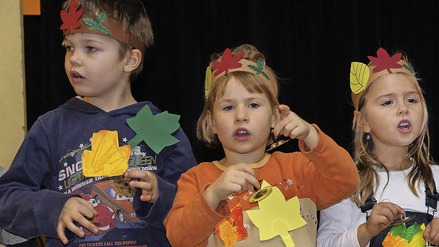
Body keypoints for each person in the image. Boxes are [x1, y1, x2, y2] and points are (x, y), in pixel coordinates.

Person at [0, 0, 197, 246]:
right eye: (69, 48)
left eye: (90, 48)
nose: (75, 59)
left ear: (130, 60)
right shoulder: (51, 128)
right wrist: (54, 208)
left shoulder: (162, 126)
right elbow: (6, 197)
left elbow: (193, 205)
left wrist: (160, 194)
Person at [163, 44, 360, 247]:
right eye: (228, 107)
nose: (241, 116)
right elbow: (178, 238)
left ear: (275, 116)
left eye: (253, 105)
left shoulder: (298, 169)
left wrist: (311, 135)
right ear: (211, 121)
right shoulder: (196, 180)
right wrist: (213, 195)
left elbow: (347, 181)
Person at [317, 47, 439, 247]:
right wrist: (366, 231)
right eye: (388, 102)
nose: (403, 108)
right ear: (362, 121)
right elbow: (325, 243)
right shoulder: (345, 181)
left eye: (412, 100)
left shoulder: (438, 178)